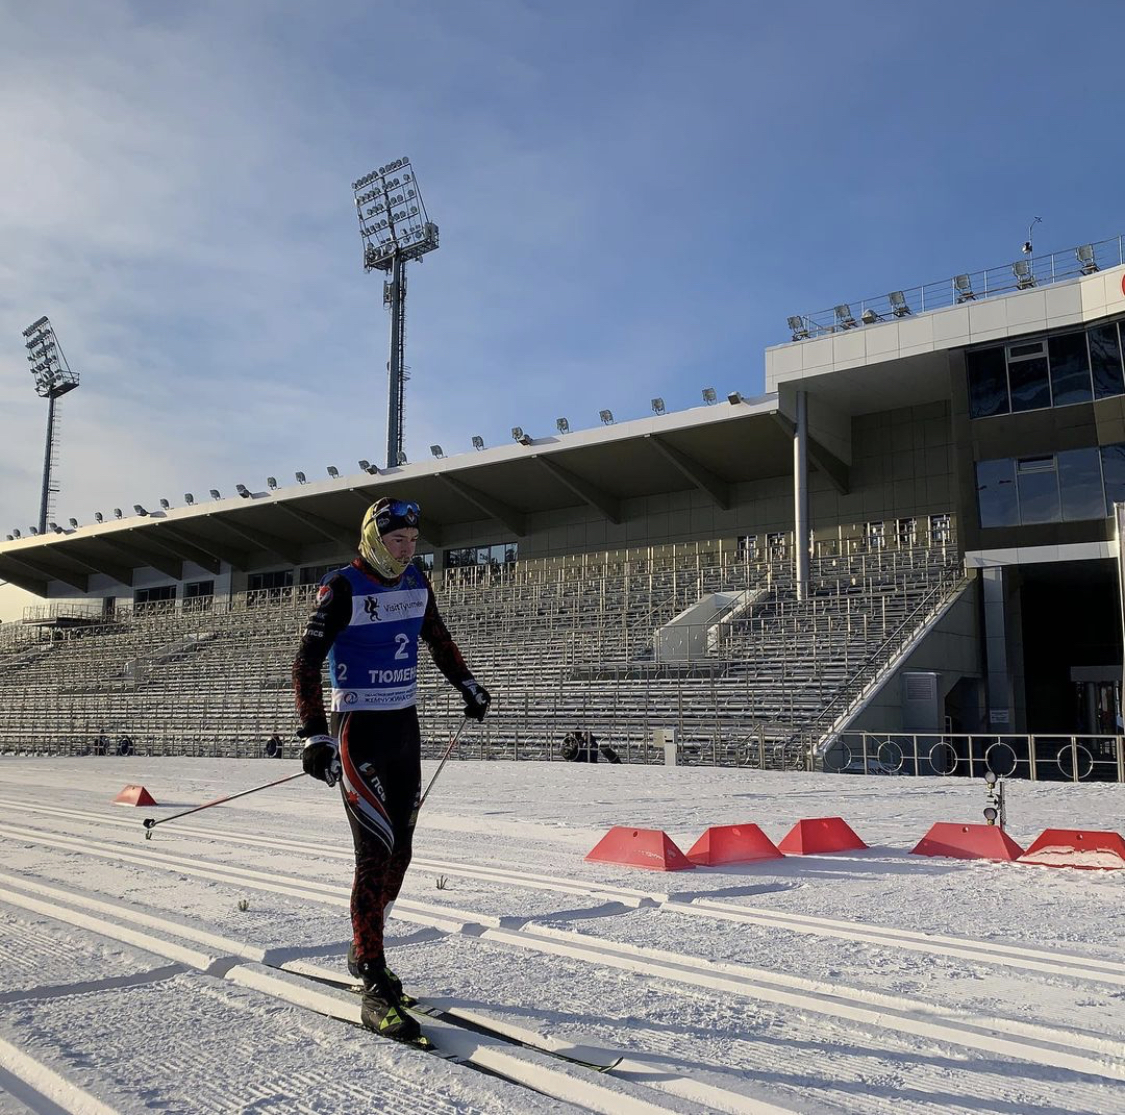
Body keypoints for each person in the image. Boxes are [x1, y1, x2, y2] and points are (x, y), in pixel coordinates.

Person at [292, 497, 490, 1043]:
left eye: (412, 541)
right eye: (397, 540)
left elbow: (438, 637)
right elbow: (306, 662)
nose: (406, 549)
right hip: (359, 730)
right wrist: (314, 734)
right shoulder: (343, 587)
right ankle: (374, 978)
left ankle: (362, 949)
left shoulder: (417, 582)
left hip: (404, 729)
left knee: (402, 851)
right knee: (373, 852)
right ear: (374, 538)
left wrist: (466, 684)